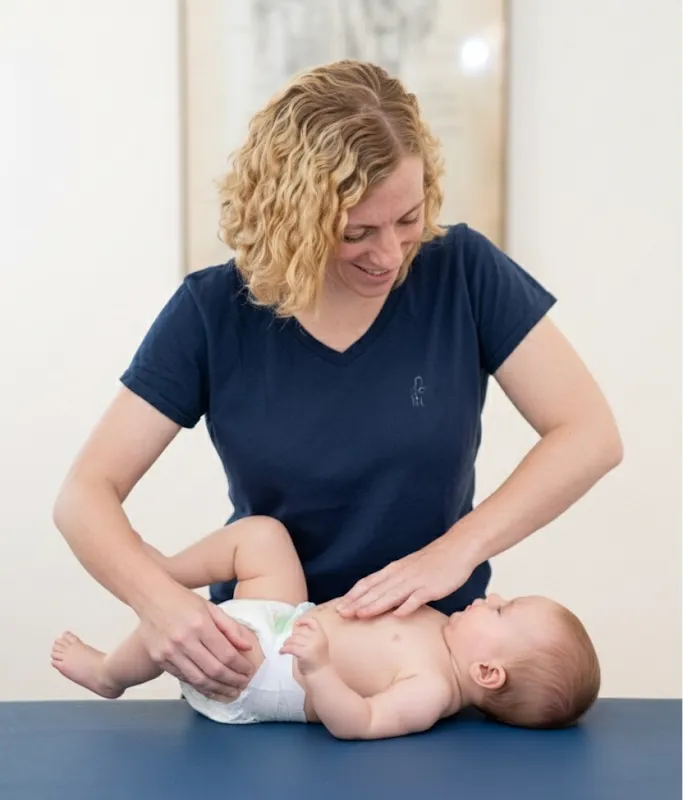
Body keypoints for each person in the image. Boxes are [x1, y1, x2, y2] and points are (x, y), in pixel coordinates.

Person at [52, 59, 622, 703]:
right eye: (356, 233)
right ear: (290, 219)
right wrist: (158, 602)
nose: (390, 254)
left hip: (419, 670)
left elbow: (590, 434)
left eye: (408, 218)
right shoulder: (213, 312)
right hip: (260, 662)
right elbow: (83, 496)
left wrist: (456, 552)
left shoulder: (463, 273)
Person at [51, 517, 600, 738]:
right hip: (287, 617)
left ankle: (108, 674)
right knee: (264, 536)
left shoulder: (431, 690)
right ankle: (166, 572)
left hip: (253, 673)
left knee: (169, 634)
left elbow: (358, 722)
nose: (493, 596)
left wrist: (320, 671)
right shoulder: (440, 622)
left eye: (502, 612)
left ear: (487, 672)